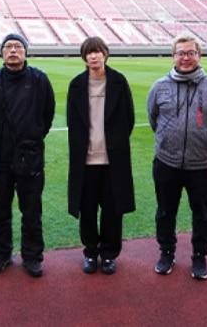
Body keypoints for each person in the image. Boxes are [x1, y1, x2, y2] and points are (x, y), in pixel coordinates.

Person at [147, 33, 207, 280]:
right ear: (173, 56)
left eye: (190, 52)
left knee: (202, 212)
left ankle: (200, 255)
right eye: (180, 53)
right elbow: (154, 118)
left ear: (199, 56)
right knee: (165, 211)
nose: (185, 58)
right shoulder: (159, 86)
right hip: (166, 161)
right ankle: (166, 252)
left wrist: (202, 138)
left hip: (200, 163)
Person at [0, 33, 55, 278]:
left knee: (32, 211)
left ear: (25, 52)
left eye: (18, 46)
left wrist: (33, 136)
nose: (13, 50)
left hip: (30, 157)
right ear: (2, 53)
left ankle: (32, 257)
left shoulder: (39, 79)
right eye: (8, 47)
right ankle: (0, 255)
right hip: (0, 157)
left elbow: (48, 114)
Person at [66, 37, 135, 275]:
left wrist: (114, 144)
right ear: (84, 57)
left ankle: (108, 254)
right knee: (87, 209)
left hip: (112, 160)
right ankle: (90, 252)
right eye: (89, 53)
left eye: (97, 52)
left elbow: (129, 118)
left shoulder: (118, 81)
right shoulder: (76, 85)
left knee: (112, 210)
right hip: (85, 161)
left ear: (106, 54)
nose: (93, 56)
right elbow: (72, 122)